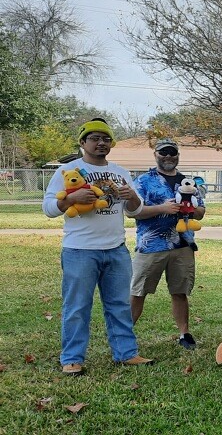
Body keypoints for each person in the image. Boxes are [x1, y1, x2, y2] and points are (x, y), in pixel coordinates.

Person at [42, 118, 154, 375]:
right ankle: (72, 358)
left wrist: (133, 197)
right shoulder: (67, 170)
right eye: (94, 138)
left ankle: (126, 353)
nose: (101, 143)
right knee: (77, 306)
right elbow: (48, 208)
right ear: (83, 142)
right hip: (79, 251)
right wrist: (70, 198)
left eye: (105, 139)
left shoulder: (121, 172)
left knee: (119, 305)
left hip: (116, 249)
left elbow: (135, 211)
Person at [129, 138, 205, 350]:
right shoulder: (143, 181)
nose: (168, 156)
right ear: (156, 155)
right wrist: (163, 208)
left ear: (178, 156)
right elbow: (132, 211)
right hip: (151, 246)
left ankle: (184, 334)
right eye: (164, 152)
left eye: (172, 152)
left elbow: (201, 212)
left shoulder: (188, 182)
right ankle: (125, 335)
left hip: (182, 246)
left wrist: (188, 208)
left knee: (179, 292)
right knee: (138, 291)